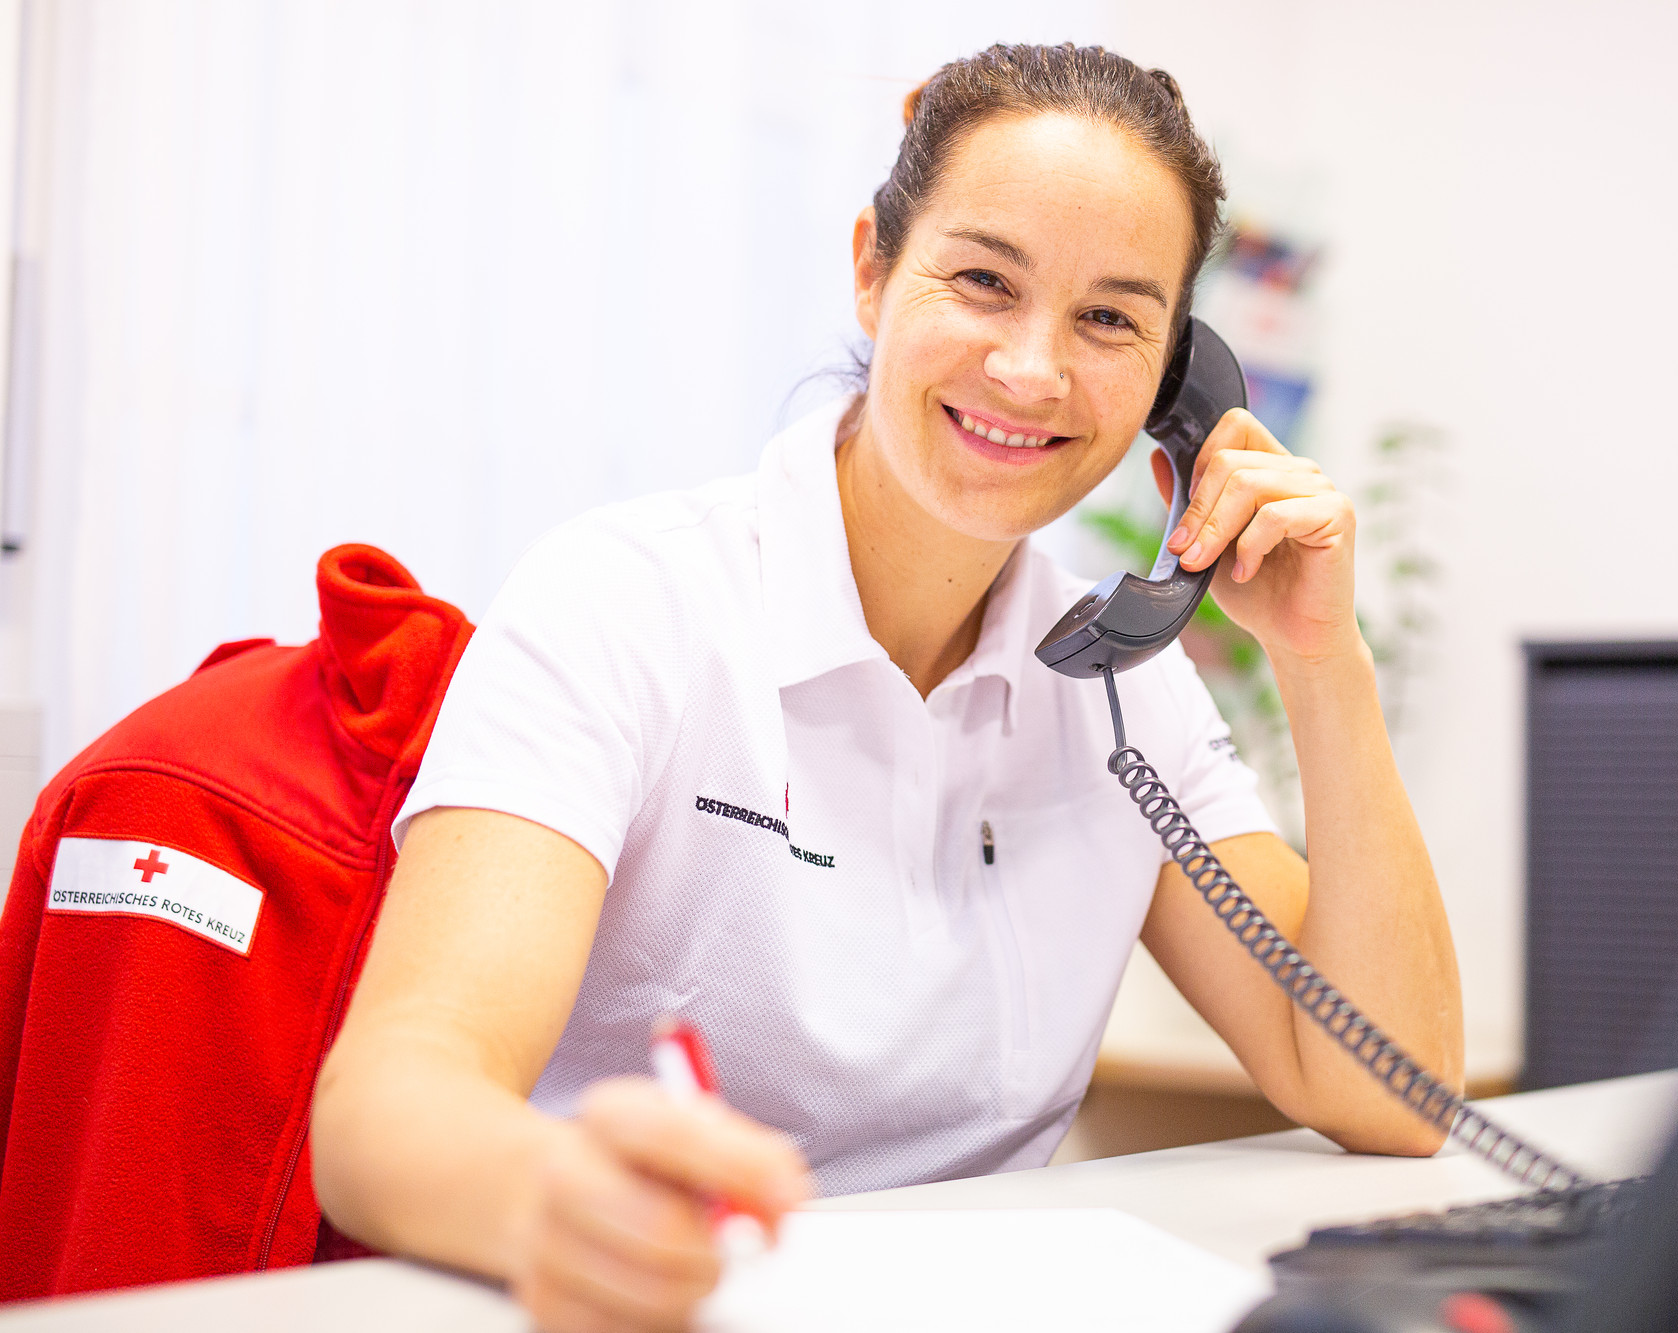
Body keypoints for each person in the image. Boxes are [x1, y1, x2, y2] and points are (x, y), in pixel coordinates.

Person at [312, 42, 1463, 1333]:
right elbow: (381, 1110)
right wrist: (555, 1198)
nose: (1031, 370)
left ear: (1175, 385)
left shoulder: (1124, 690)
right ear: (873, 268)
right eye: (983, 281)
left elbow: (1394, 1089)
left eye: (1110, 318)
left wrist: (1324, 665)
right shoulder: (628, 600)